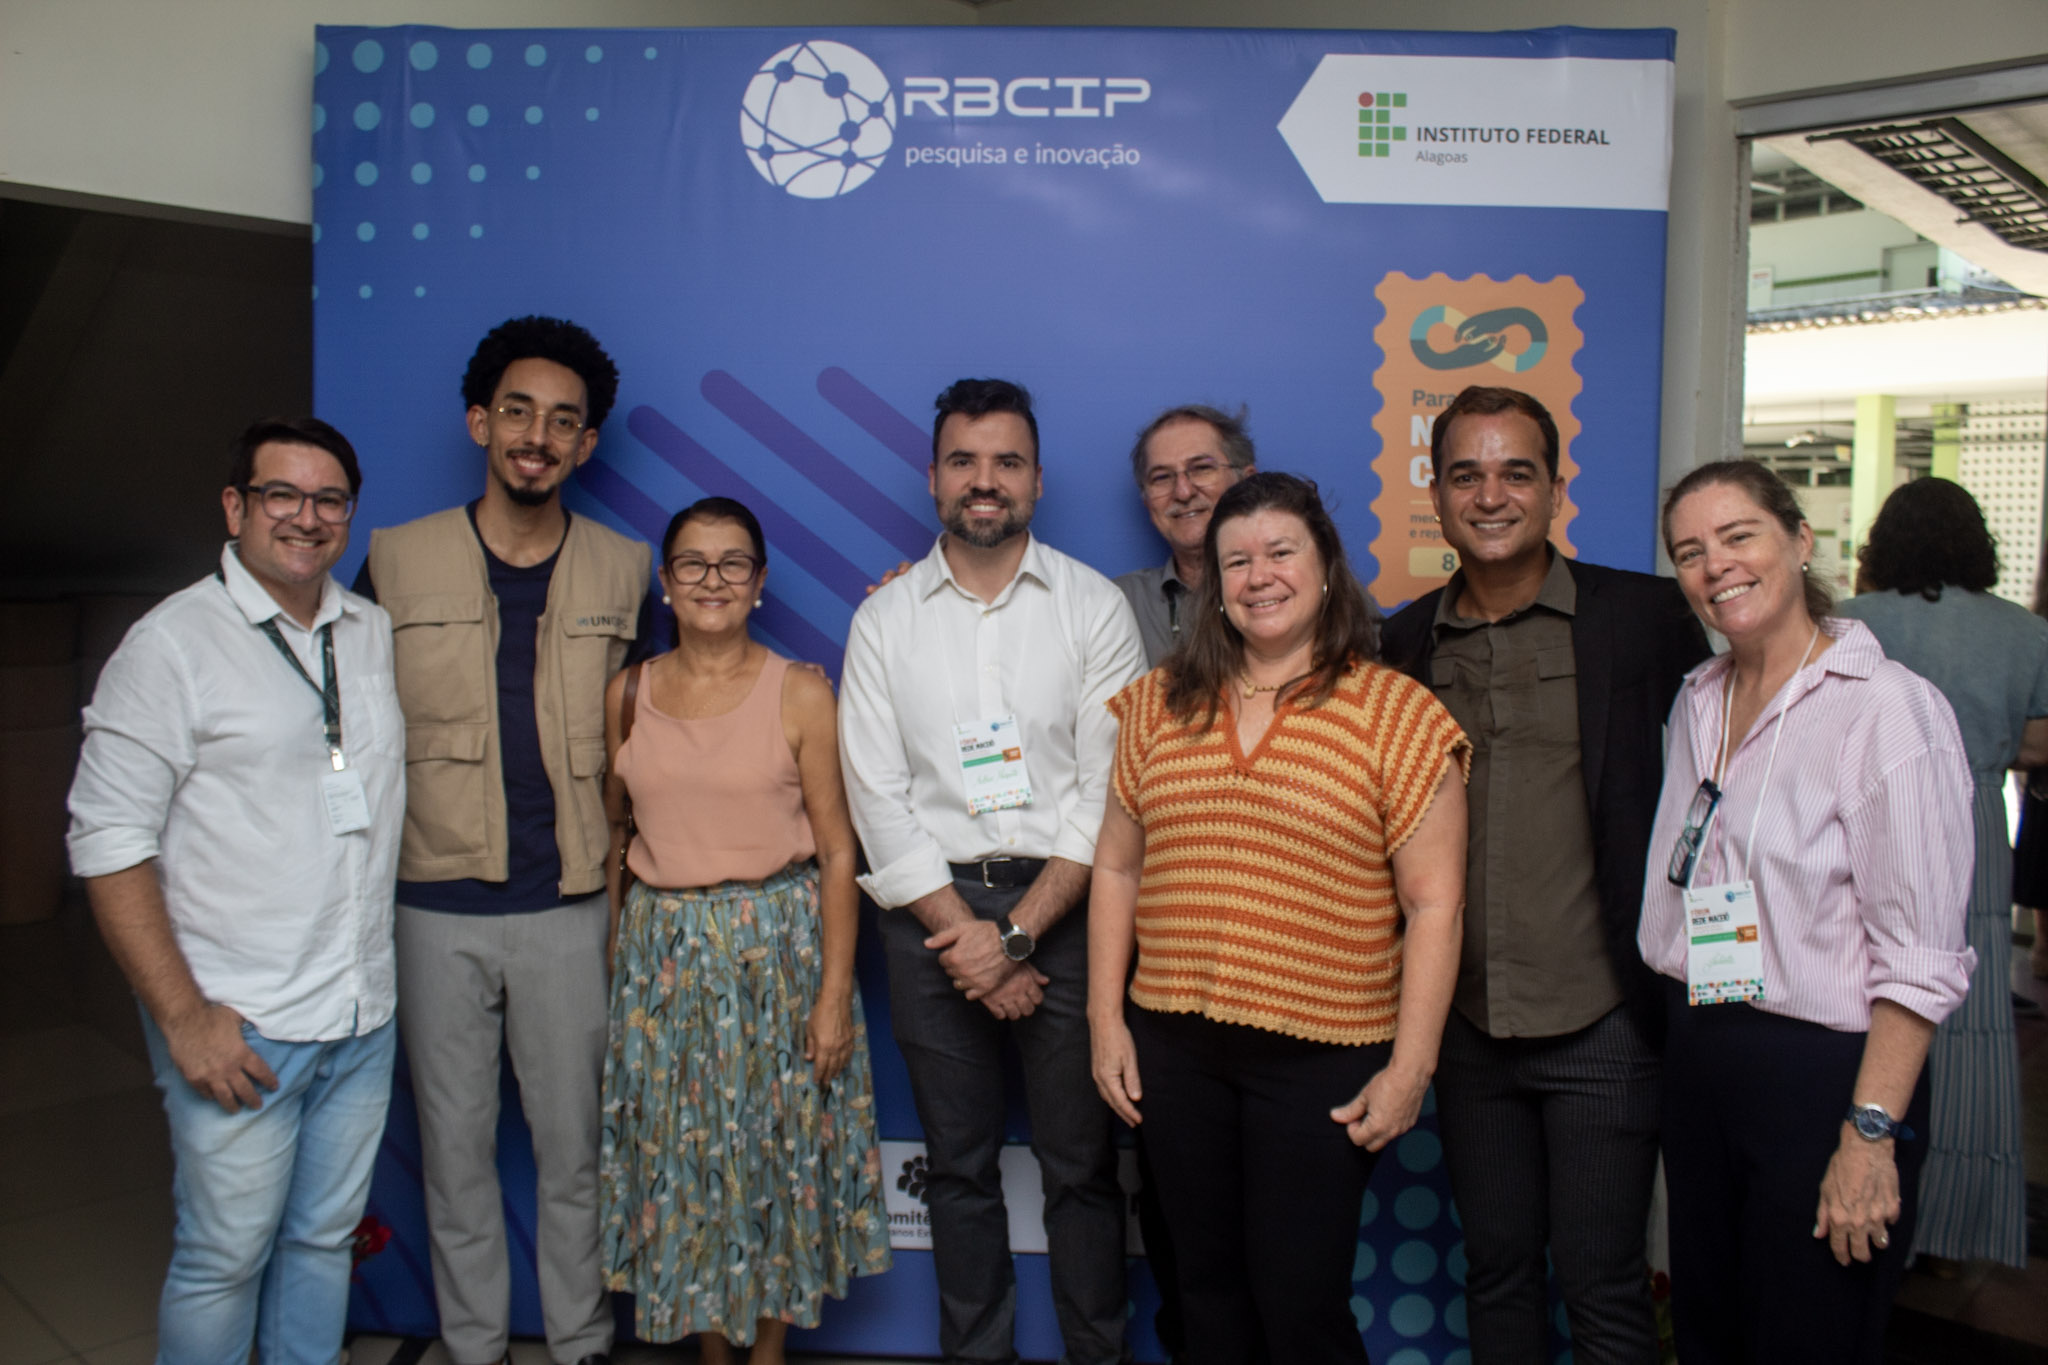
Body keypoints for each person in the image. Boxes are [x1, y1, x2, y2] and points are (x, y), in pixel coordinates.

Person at [1088, 471, 1469, 1365]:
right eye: (1237, 561)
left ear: (1326, 567)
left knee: (1299, 1303)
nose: (1259, 576)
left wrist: (1411, 1068)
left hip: (1323, 1055)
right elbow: (1117, 864)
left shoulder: (1398, 715)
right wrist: (1106, 1019)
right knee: (1203, 1293)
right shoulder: (1158, 703)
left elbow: (1435, 904)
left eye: (1281, 552)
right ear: (1215, 585)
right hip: (1175, 1047)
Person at [1378, 385, 1709, 1365]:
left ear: (1556, 489)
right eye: (1465, 475)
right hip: (1465, 1026)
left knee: (1603, 1285)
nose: (1490, 496)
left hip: (1603, 1020)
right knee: (1497, 1271)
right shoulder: (1401, 643)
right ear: (1435, 495)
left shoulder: (1642, 620)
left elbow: (1722, 784)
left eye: (1515, 473)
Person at [67, 418, 404, 1365]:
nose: (306, 517)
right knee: (224, 1256)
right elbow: (106, 840)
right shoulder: (171, 646)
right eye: (280, 495)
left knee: (322, 1240)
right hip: (239, 1020)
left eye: (329, 499)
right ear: (235, 507)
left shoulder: (367, 631)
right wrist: (183, 1017)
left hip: (359, 1010)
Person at [361, 316, 652, 1365]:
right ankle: (473, 1344)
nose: (539, 436)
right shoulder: (394, 559)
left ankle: (581, 1341)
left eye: (564, 421)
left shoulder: (626, 569)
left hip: (570, 907)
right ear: (479, 422)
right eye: (519, 412)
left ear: (587, 444)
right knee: (453, 1154)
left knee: (577, 1152)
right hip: (431, 905)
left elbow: (660, 728)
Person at [1641, 459, 1976, 1364]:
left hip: (1825, 1073)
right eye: (1690, 552)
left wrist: (1869, 1135)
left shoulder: (1888, 711)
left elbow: (1921, 955)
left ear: (1800, 540)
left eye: (1738, 536)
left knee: (1808, 1333)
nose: (1715, 565)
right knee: (1711, 1329)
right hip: (1704, 1043)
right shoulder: (1699, 698)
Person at [840, 377, 1144, 1365]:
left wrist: (1015, 935)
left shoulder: (1093, 607)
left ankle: (1097, 1353)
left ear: (1037, 480)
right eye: (963, 461)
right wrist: (968, 936)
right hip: (930, 922)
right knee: (957, 1168)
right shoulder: (884, 621)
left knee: (1081, 1167)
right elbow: (877, 797)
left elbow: (1105, 794)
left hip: (1067, 909)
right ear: (931, 478)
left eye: (1006, 461)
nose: (985, 480)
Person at [597, 496, 891, 1360]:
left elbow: (838, 852)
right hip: (666, 964)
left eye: (733, 563)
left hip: (781, 957)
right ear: (665, 581)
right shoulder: (627, 694)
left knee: (777, 1159)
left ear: (759, 583)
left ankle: (766, 1354)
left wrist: (832, 994)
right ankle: (711, 1352)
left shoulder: (800, 691)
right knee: (683, 1165)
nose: (712, 579)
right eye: (693, 562)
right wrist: (621, 956)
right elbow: (616, 832)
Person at [1834, 477, 2048, 1270]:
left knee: (1870, 998)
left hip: (1868, 819)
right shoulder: (2022, 630)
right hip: (1976, 822)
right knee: (1970, 1016)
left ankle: (1862, 1190)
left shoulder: (1848, 621)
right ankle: (1952, 1229)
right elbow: (2039, 741)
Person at [1114, 404, 1258, 665]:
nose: (1183, 492)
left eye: (1201, 468)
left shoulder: (1291, 590)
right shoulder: (1117, 603)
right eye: (1161, 477)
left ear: (1246, 482)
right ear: (1147, 501)